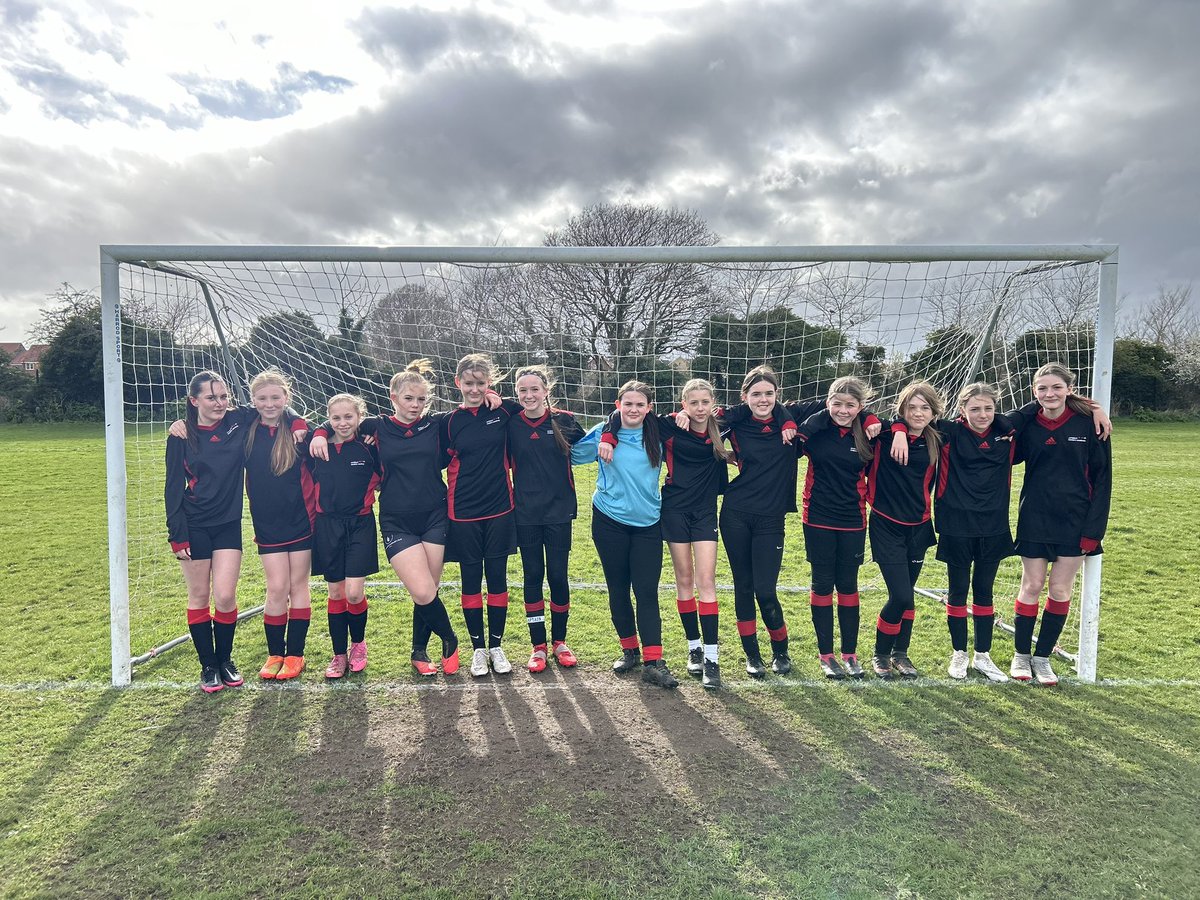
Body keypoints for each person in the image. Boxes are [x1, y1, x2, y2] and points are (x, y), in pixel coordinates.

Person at [309, 360, 464, 677]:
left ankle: (419, 651)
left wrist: (491, 396)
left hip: (434, 516)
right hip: (396, 519)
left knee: (428, 590)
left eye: (421, 399)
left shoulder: (436, 425)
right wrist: (319, 433)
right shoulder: (375, 427)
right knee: (423, 591)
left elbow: (470, 411)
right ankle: (450, 638)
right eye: (409, 398)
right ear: (393, 397)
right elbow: (340, 419)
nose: (415, 405)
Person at [166, 370, 301, 693]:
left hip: (227, 524)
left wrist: (298, 425)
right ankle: (208, 666)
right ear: (194, 400)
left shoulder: (238, 421)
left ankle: (225, 660)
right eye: (211, 397)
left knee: (225, 596)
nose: (219, 403)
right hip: (193, 525)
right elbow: (172, 488)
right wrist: (177, 534)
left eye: (224, 396)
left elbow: (277, 405)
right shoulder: (181, 436)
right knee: (200, 596)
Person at [1009, 362, 1112, 685]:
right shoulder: (1028, 425)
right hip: (1034, 516)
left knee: (1059, 588)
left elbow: (1103, 480)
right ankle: (1021, 655)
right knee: (1031, 585)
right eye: (1042, 388)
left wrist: (1093, 532)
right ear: (1033, 392)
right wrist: (1035, 406)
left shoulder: (1090, 425)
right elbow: (1005, 436)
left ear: (1070, 389)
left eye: (1057, 387)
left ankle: (1042, 658)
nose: (1050, 394)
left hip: (1075, 521)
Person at [573, 380, 678, 688]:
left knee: (646, 592)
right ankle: (629, 650)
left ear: (649, 408)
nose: (633, 409)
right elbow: (569, 455)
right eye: (627, 404)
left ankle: (653, 662)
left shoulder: (659, 433)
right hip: (609, 520)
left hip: (648, 523)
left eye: (640, 404)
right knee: (618, 588)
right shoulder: (603, 434)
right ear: (617, 406)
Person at [643, 379, 730, 689]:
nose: (700, 408)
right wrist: (673, 416)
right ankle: (694, 648)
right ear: (684, 404)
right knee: (684, 579)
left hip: (704, 513)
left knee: (706, 581)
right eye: (693, 403)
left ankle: (712, 659)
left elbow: (769, 411)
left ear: (713, 403)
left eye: (705, 402)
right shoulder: (671, 428)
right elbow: (636, 413)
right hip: (675, 511)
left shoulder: (724, 427)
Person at [792, 376, 880, 680]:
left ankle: (850, 654)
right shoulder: (815, 429)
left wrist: (873, 419)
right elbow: (785, 419)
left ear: (861, 406)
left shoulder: (869, 433)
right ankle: (826, 655)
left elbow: (897, 425)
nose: (843, 410)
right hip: (817, 516)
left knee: (848, 584)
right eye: (837, 403)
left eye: (850, 405)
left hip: (853, 518)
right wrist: (817, 417)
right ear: (827, 402)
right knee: (822, 584)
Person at [718, 366, 801, 678]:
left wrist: (787, 418)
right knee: (743, 586)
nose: (763, 399)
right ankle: (752, 655)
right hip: (736, 513)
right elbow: (703, 421)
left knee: (765, 589)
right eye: (756, 394)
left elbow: (832, 407)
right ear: (745, 396)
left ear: (777, 394)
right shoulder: (736, 422)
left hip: (771, 518)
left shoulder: (792, 420)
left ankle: (781, 651)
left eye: (769, 393)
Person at [442, 354, 519, 677]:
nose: (475, 389)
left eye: (481, 383)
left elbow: (535, 407)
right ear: (457, 383)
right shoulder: (447, 422)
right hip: (462, 513)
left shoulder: (504, 411)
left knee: (498, 578)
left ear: (490, 383)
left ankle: (497, 647)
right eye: (469, 383)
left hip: (501, 508)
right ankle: (478, 649)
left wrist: (497, 397)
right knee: (471, 581)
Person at [507, 365, 586, 673]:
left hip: (558, 512)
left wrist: (609, 436)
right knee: (532, 576)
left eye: (534, 389)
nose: (529, 395)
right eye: (523, 390)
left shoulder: (564, 420)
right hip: (525, 513)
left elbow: (596, 441)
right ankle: (538, 646)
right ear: (516, 393)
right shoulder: (511, 423)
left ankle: (560, 642)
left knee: (557, 576)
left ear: (546, 391)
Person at [869, 381, 945, 679]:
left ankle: (900, 654)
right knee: (900, 595)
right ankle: (880, 654)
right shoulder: (885, 434)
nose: (918, 413)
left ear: (934, 412)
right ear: (901, 410)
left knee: (908, 595)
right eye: (911, 407)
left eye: (924, 407)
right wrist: (898, 429)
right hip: (886, 524)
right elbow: (864, 417)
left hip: (920, 526)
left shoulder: (939, 438)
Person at [306, 393, 381, 679]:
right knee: (336, 592)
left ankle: (358, 645)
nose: (343, 423)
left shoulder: (369, 447)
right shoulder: (317, 448)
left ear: (359, 417)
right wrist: (319, 433)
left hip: (360, 524)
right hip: (328, 526)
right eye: (336, 418)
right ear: (328, 418)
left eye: (349, 416)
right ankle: (338, 654)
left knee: (354, 592)